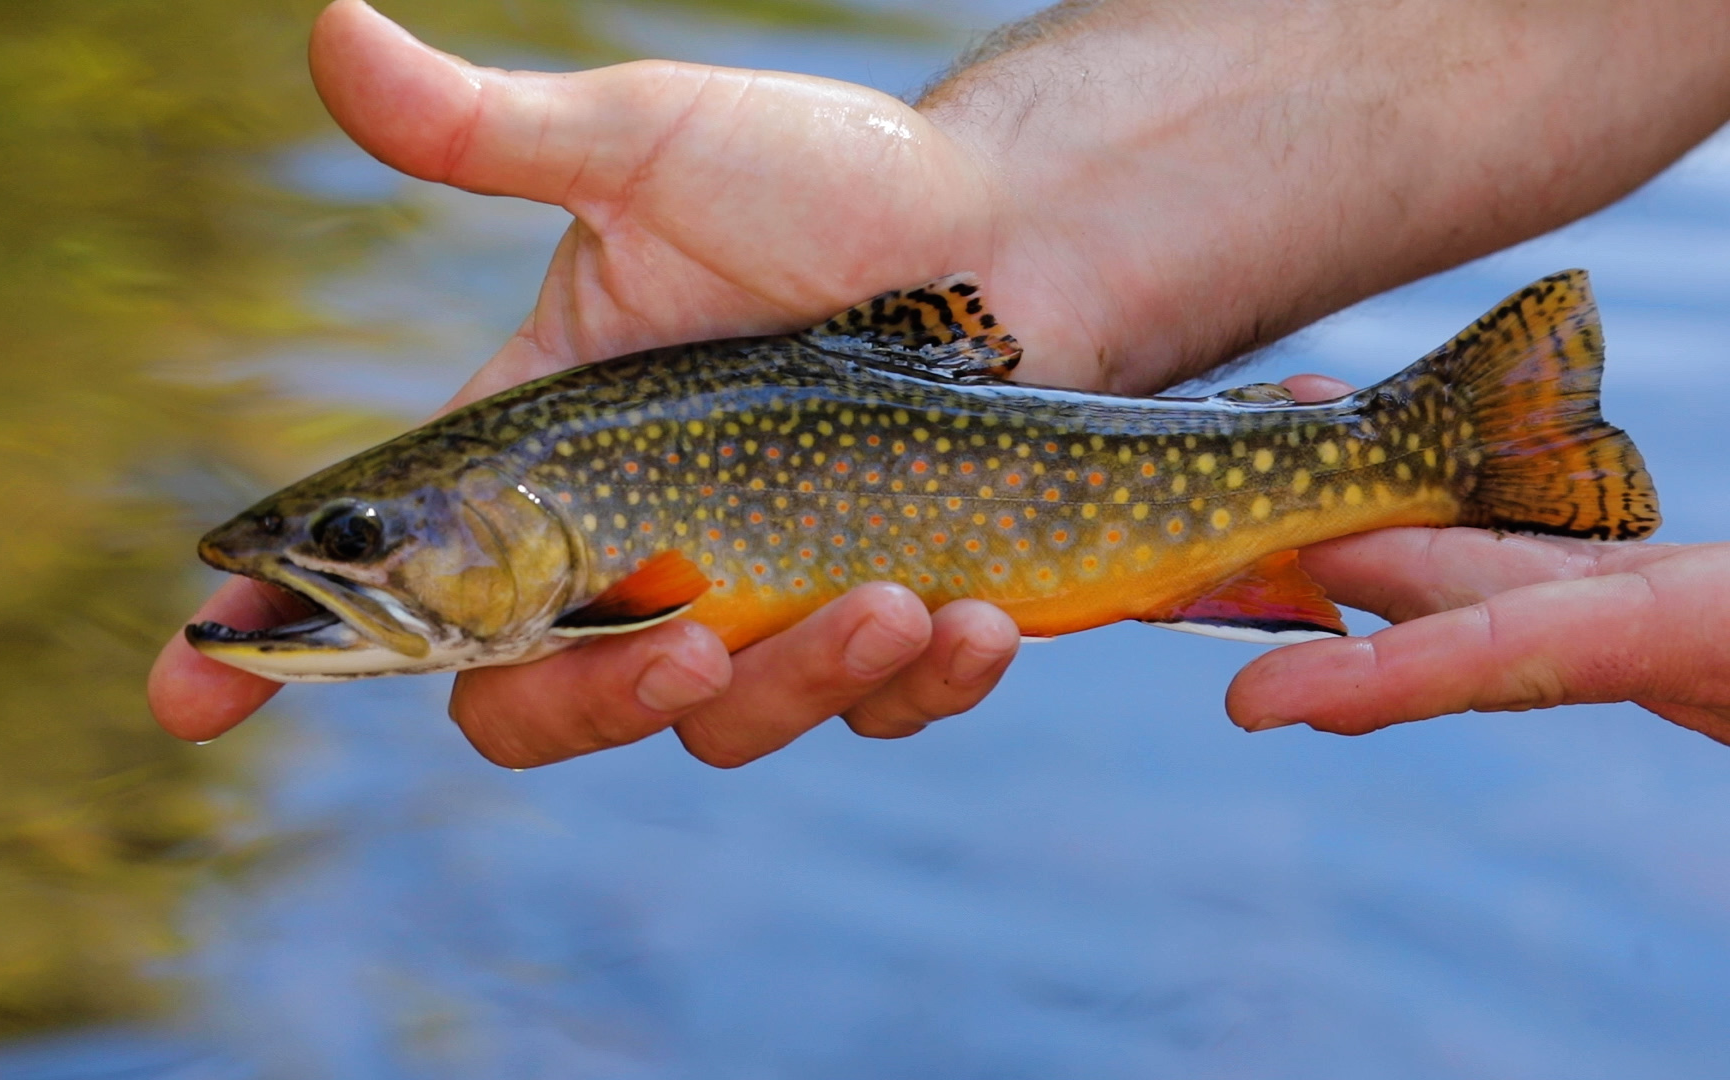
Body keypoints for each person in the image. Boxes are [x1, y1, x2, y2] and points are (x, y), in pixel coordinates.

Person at [147, 0, 1730, 762]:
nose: (325, 565)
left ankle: (1422, 450)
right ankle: (1413, 452)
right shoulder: (585, 506)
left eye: (356, 539)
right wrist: (1015, 196)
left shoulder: (610, 543)